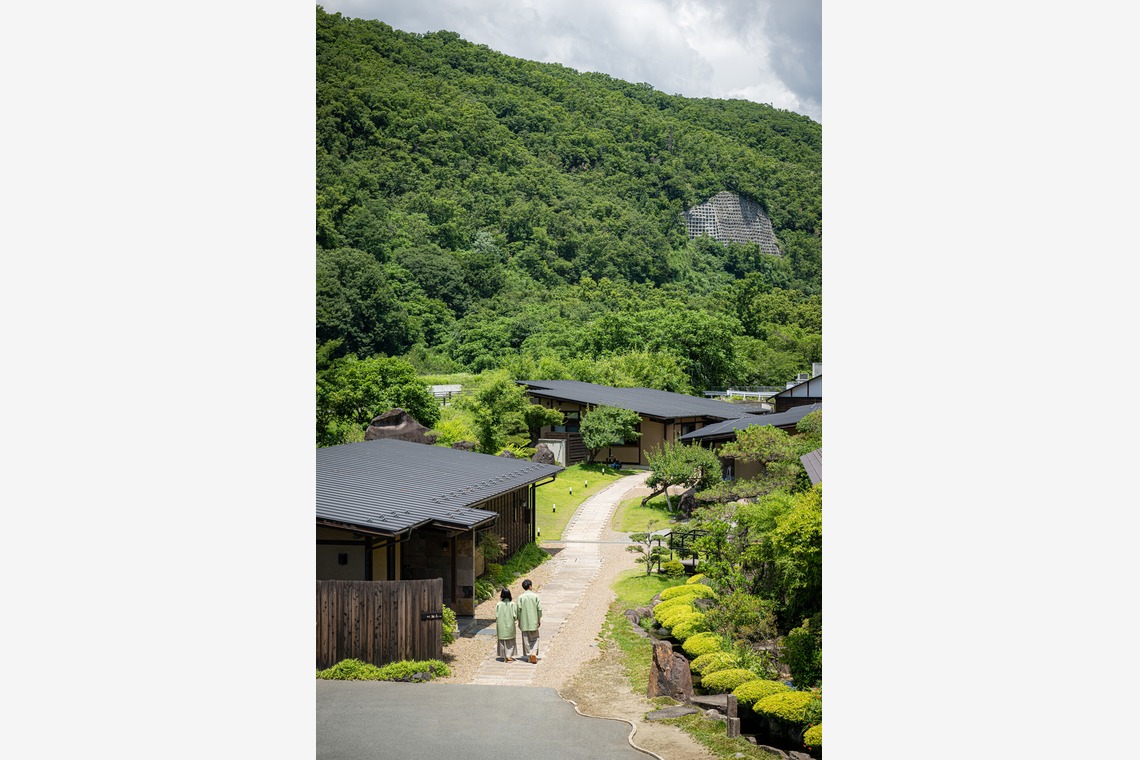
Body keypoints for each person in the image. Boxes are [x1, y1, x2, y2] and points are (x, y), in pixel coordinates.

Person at [516, 578, 542, 664]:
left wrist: (519, 621)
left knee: (526, 639)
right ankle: (534, 653)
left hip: (524, 621)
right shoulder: (535, 596)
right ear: (530, 586)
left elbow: (518, 610)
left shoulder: (520, 597)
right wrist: (539, 619)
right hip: (534, 620)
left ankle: (529, 656)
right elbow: (539, 609)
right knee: (535, 638)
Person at [494, 587, 518, 662]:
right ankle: (509, 655)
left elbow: (496, 615)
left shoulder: (499, 604)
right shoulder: (512, 604)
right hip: (510, 623)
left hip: (501, 624)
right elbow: (515, 616)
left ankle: (504, 655)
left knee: (502, 640)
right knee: (510, 640)